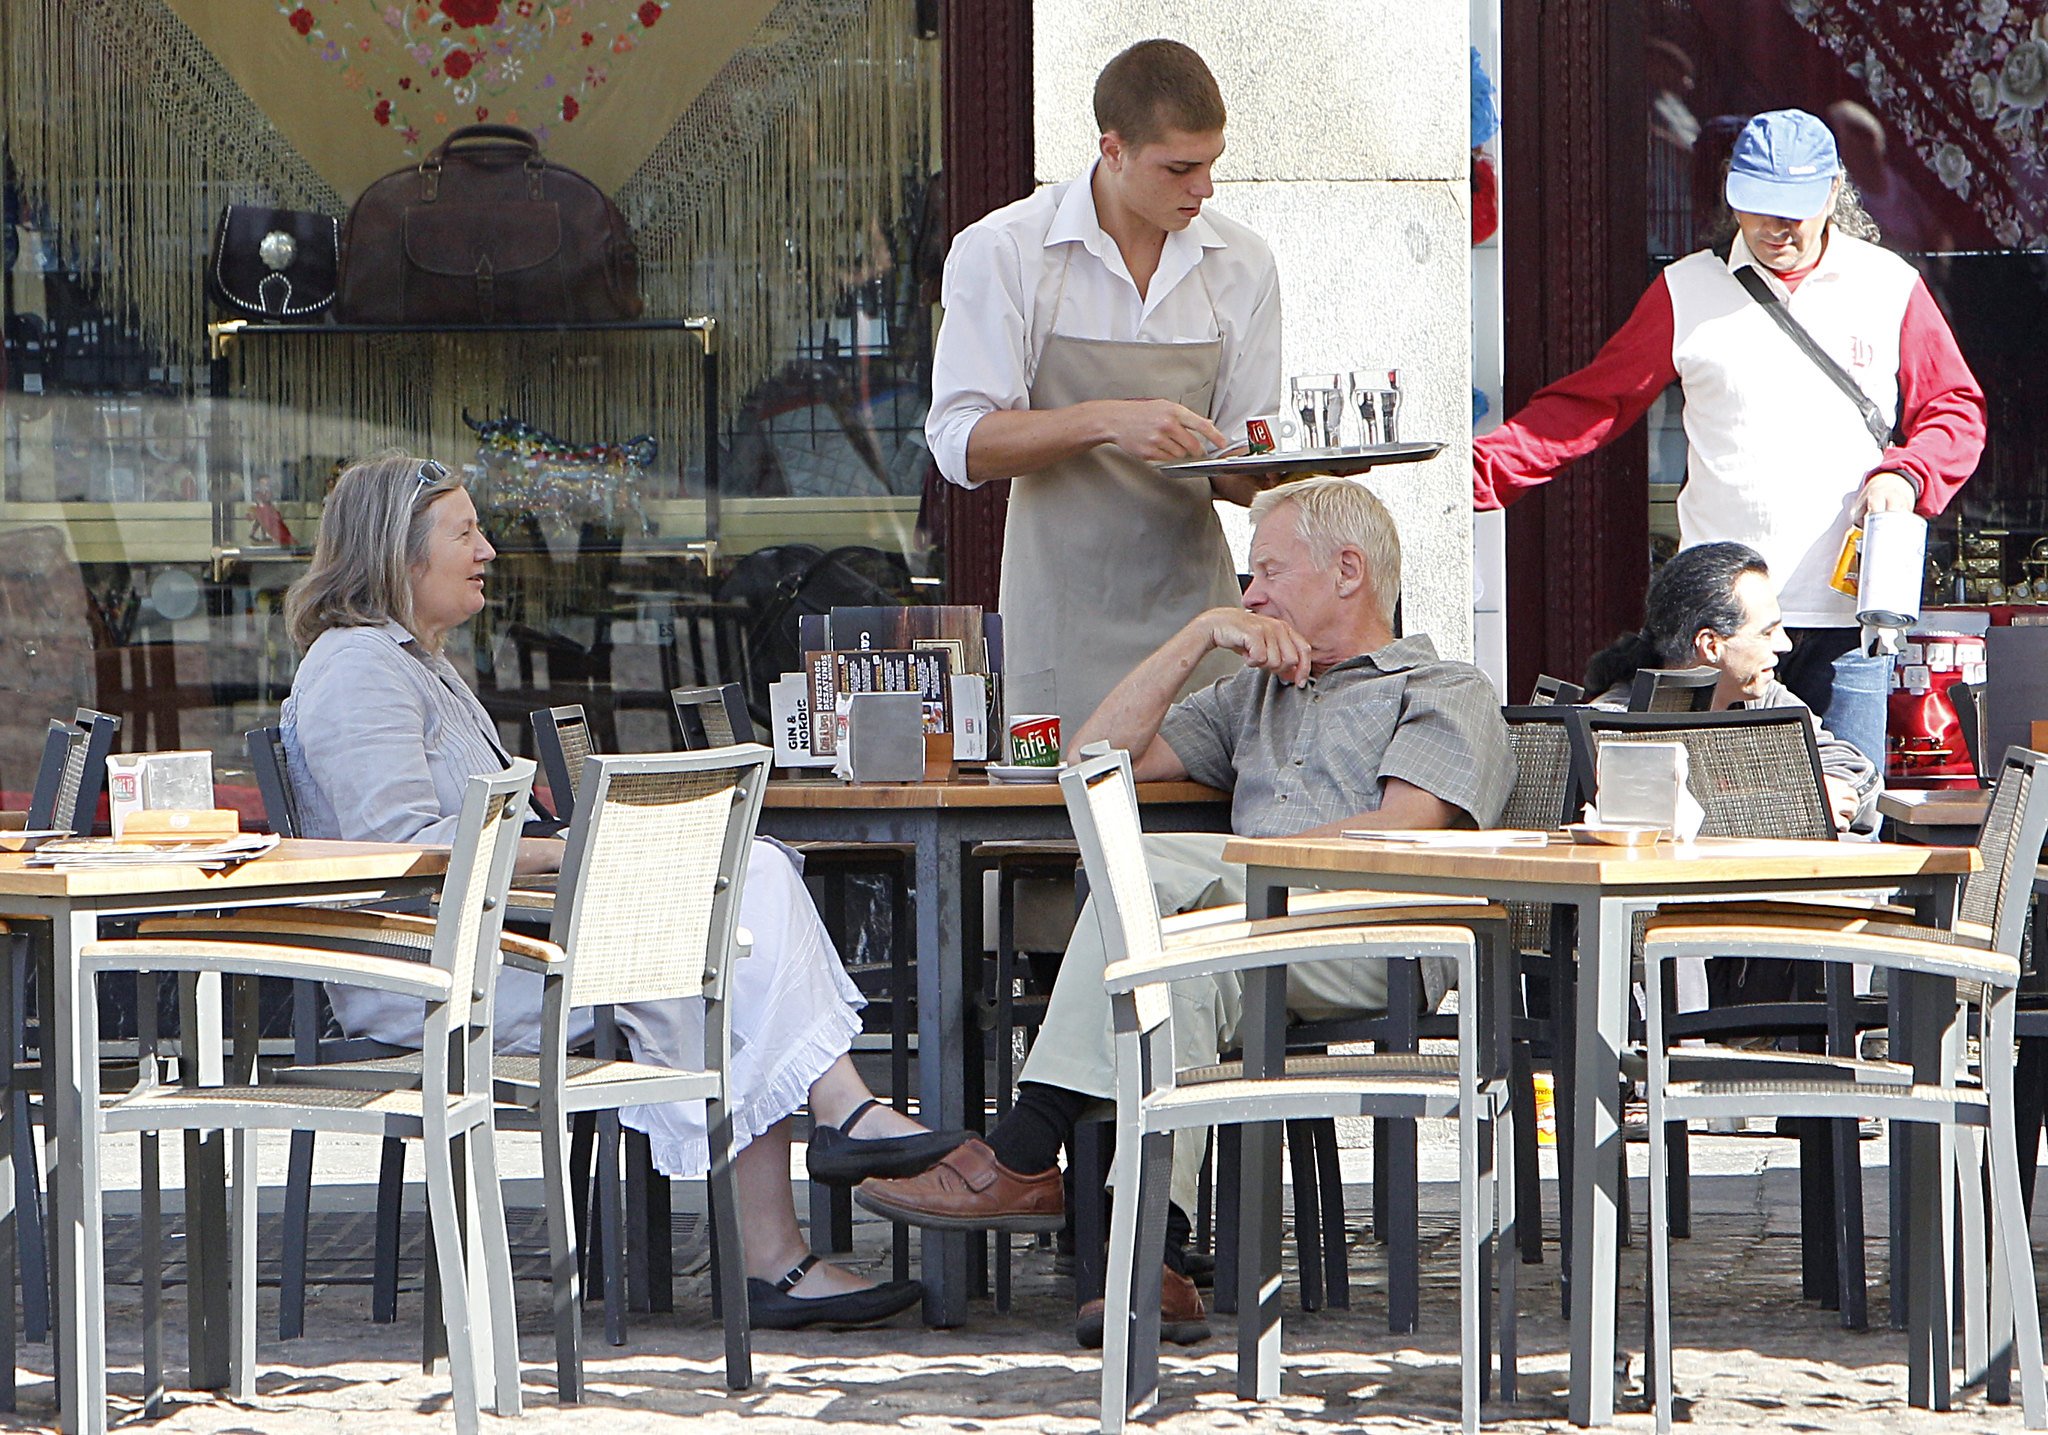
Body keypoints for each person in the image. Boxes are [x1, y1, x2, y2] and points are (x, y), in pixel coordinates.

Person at [281, 453, 969, 1330]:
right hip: (439, 973)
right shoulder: (357, 670)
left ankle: (800, 1210)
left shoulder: (420, 666)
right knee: (737, 886)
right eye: (465, 533)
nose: (489, 549)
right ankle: (817, 1170)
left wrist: (578, 849)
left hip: (500, 943)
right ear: (396, 555)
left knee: (737, 884)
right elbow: (406, 851)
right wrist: (574, 849)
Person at [855, 475, 1513, 1345]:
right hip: (1253, 942)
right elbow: (1092, 758)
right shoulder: (1257, 696)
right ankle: (1141, 1266)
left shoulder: (1444, 684)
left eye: (1268, 572)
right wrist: (1199, 634)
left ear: (1349, 570)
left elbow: (1402, 831)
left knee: (1147, 867)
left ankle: (1019, 1148)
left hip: (1380, 938)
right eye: (1247, 580)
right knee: (1176, 973)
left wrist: (1219, 864)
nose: (1252, 595)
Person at [1473, 107, 1985, 771]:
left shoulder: (1890, 286)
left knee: (1847, 819)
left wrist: (1907, 474)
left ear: (1833, 191)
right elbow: (1589, 405)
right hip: (1720, 626)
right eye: (1757, 206)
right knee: (1715, 811)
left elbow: (1956, 410)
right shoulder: (1686, 289)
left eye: (1794, 208)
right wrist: (1470, 477)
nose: (1777, 228)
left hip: (1850, 615)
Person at [924, 38, 1283, 736]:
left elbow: (1241, 465)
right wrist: (1105, 420)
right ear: (1111, 150)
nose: (1202, 189)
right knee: (1057, 832)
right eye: (1179, 168)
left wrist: (1283, 467)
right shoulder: (1005, 249)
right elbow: (959, 443)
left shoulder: (1243, 262)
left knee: (1201, 830)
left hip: (1197, 621)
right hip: (1059, 617)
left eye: (1211, 165)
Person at [1581, 540, 1879, 832]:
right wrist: (1794, 804)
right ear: (1711, 645)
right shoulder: (1614, 722)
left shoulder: (1766, 701)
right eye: (1767, 632)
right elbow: (1639, 815)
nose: (1784, 644)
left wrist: (1824, 795)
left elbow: (1859, 775)